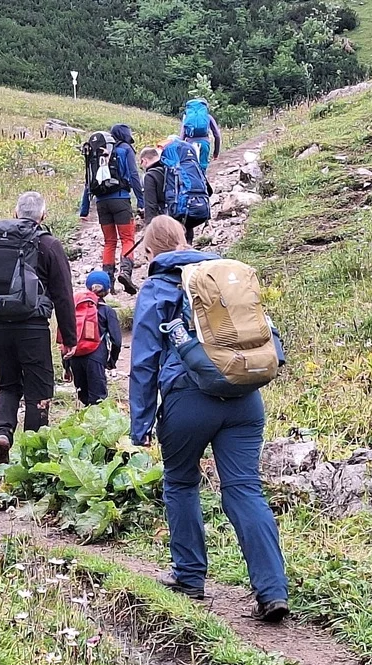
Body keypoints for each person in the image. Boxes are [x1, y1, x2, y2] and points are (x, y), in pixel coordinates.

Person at [128, 215, 289, 623]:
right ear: (185, 239)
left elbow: (144, 361)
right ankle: (272, 590)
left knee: (181, 482)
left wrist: (140, 425)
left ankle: (189, 577)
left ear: (151, 250)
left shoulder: (158, 286)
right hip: (244, 396)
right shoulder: (221, 276)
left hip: (189, 399)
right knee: (245, 488)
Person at [0, 191, 77, 468]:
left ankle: (3, 434)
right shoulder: (48, 244)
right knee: (39, 389)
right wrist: (68, 337)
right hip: (33, 327)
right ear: (43, 216)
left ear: (16, 213)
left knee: (8, 384)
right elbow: (63, 294)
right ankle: (33, 456)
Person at [79, 124, 145, 296]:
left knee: (109, 242)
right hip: (121, 200)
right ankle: (125, 273)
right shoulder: (125, 150)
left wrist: (84, 210)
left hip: (101, 202)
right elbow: (133, 175)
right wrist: (141, 201)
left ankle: (107, 283)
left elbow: (88, 181)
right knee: (127, 238)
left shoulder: (97, 152)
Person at [63, 270, 121, 406]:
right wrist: (112, 361)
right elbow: (116, 341)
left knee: (83, 397)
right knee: (99, 400)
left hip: (75, 357)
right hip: (96, 357)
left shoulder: (74, 309)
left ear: (88, 287)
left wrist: (66, 366)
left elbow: (67, 335)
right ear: (107, 290)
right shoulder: (107, 311)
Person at [180, 98, 222, 174]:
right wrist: (216, 153)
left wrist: (180, 150)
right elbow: (217, 135)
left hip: (189, 144)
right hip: (204, 144)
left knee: (190, 167)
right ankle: (202, 179)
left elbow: (182, 136)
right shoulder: (208, 117)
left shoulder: (187, 118)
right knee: (202, 167)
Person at [139, 147, 166, 223]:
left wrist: (149, 225)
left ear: (144, 160)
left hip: (163, 219)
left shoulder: (150, 176)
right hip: (179, 215)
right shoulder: (169, 169)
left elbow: (150, 204)